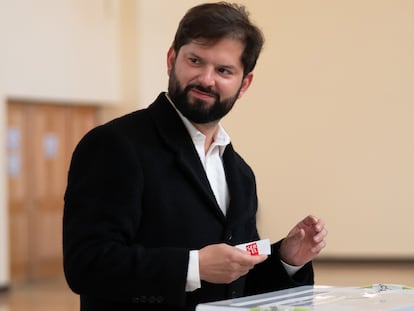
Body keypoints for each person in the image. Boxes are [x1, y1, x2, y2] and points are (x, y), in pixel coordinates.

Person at [63, 2, 328, 311]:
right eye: (195, 60)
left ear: (244, 84)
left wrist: (286, 259)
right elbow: (86, 265)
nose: (206, 79)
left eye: (224, 70)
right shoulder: (114, 145)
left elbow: (237, 286)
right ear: (172, 59)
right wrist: (193, 267)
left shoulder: (240, 173)